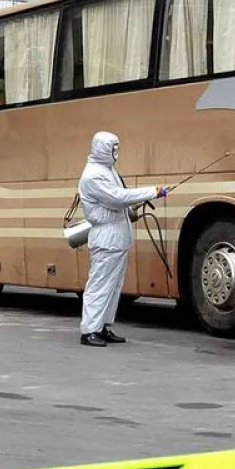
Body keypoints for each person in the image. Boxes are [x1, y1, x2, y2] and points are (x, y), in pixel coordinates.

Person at [77, 132, 167, 347]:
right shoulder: (93, 175)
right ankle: (89, 330)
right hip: (106, 238)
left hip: (117, 238)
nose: (116, 153)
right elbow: (117, 198)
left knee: (113, 286)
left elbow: (118, 199)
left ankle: (103, 326)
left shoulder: (108, 171)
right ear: (102, 148)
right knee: (99, 285)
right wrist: (152, 192)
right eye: (112, 148)